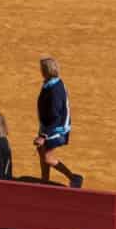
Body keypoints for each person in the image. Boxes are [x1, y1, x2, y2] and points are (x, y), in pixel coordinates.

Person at [33, 57, 75, 187]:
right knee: (42, 151)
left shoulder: (55, 90)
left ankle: (74, 177)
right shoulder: (51, 83)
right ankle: (44, 181)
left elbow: (56, 117)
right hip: (48, 126)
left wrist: (43, 135)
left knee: (47, 157)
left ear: (46, 70)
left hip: (56, 129)